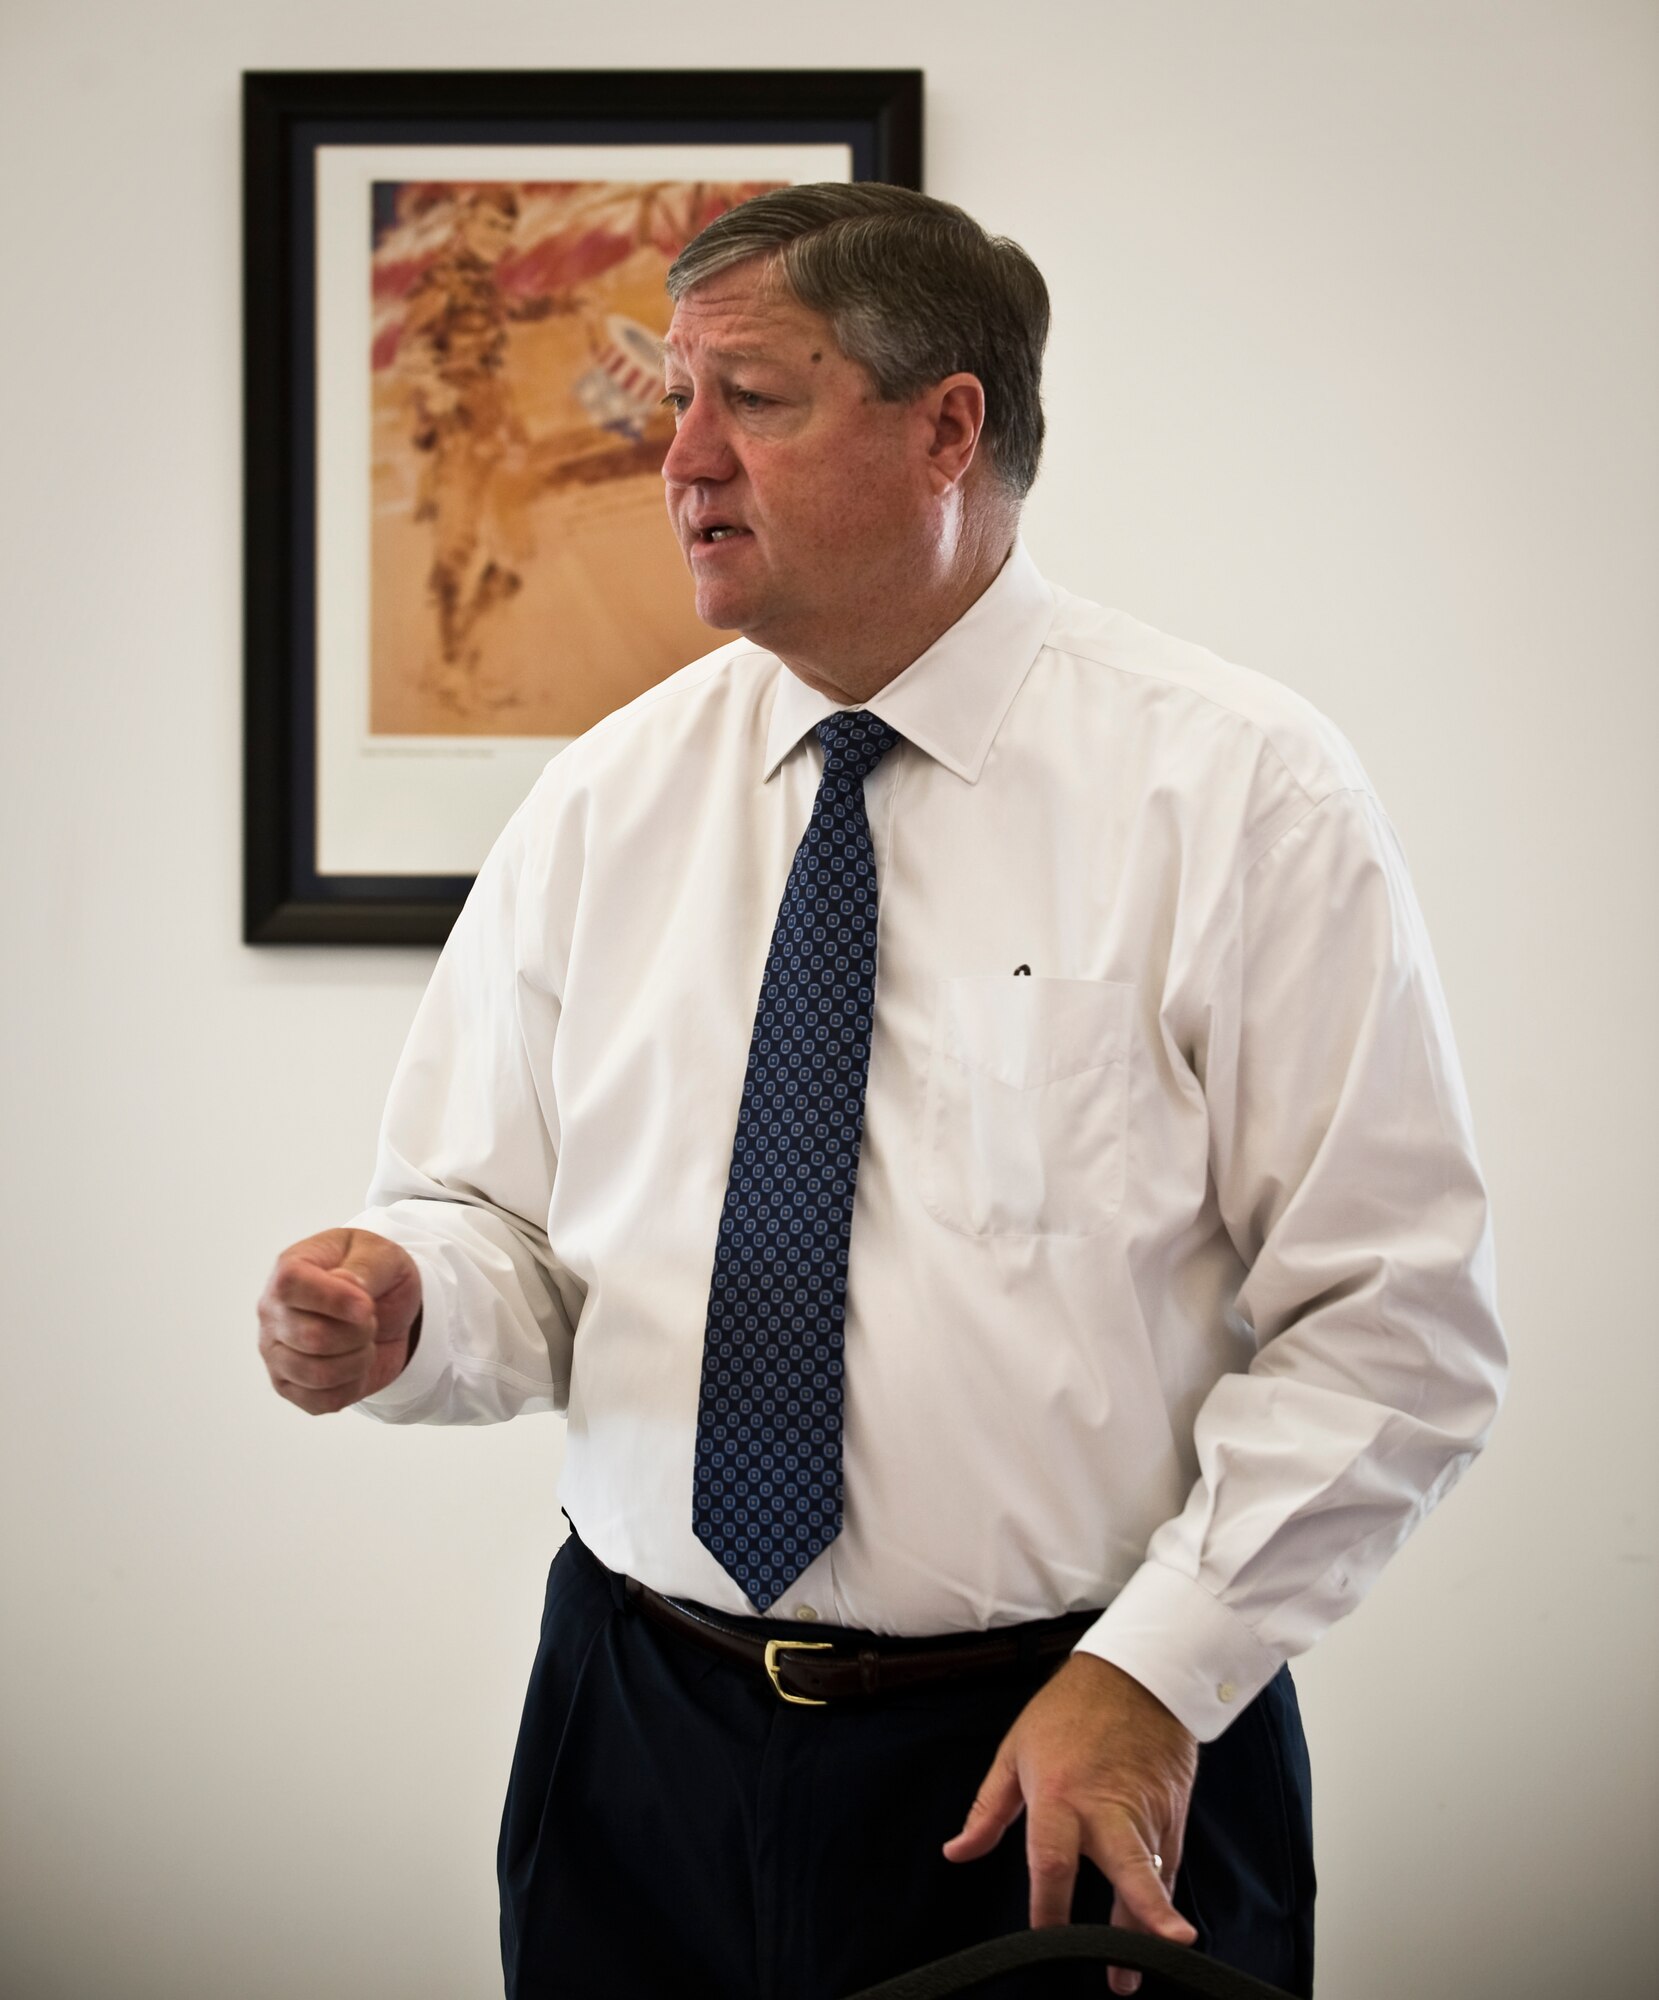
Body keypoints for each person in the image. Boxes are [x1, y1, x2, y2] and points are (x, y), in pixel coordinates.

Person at [258, 184, 1506, 2000]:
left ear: (949, 427)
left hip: (1068, 1755)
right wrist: (401, 1302)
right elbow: (499, 1231)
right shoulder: (605, 804)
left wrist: (1157, 1672)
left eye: (749, 397)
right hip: (637, 1743)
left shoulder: (1239, 795)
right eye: (673, 396)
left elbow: (1396, 1324)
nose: (677, 456)